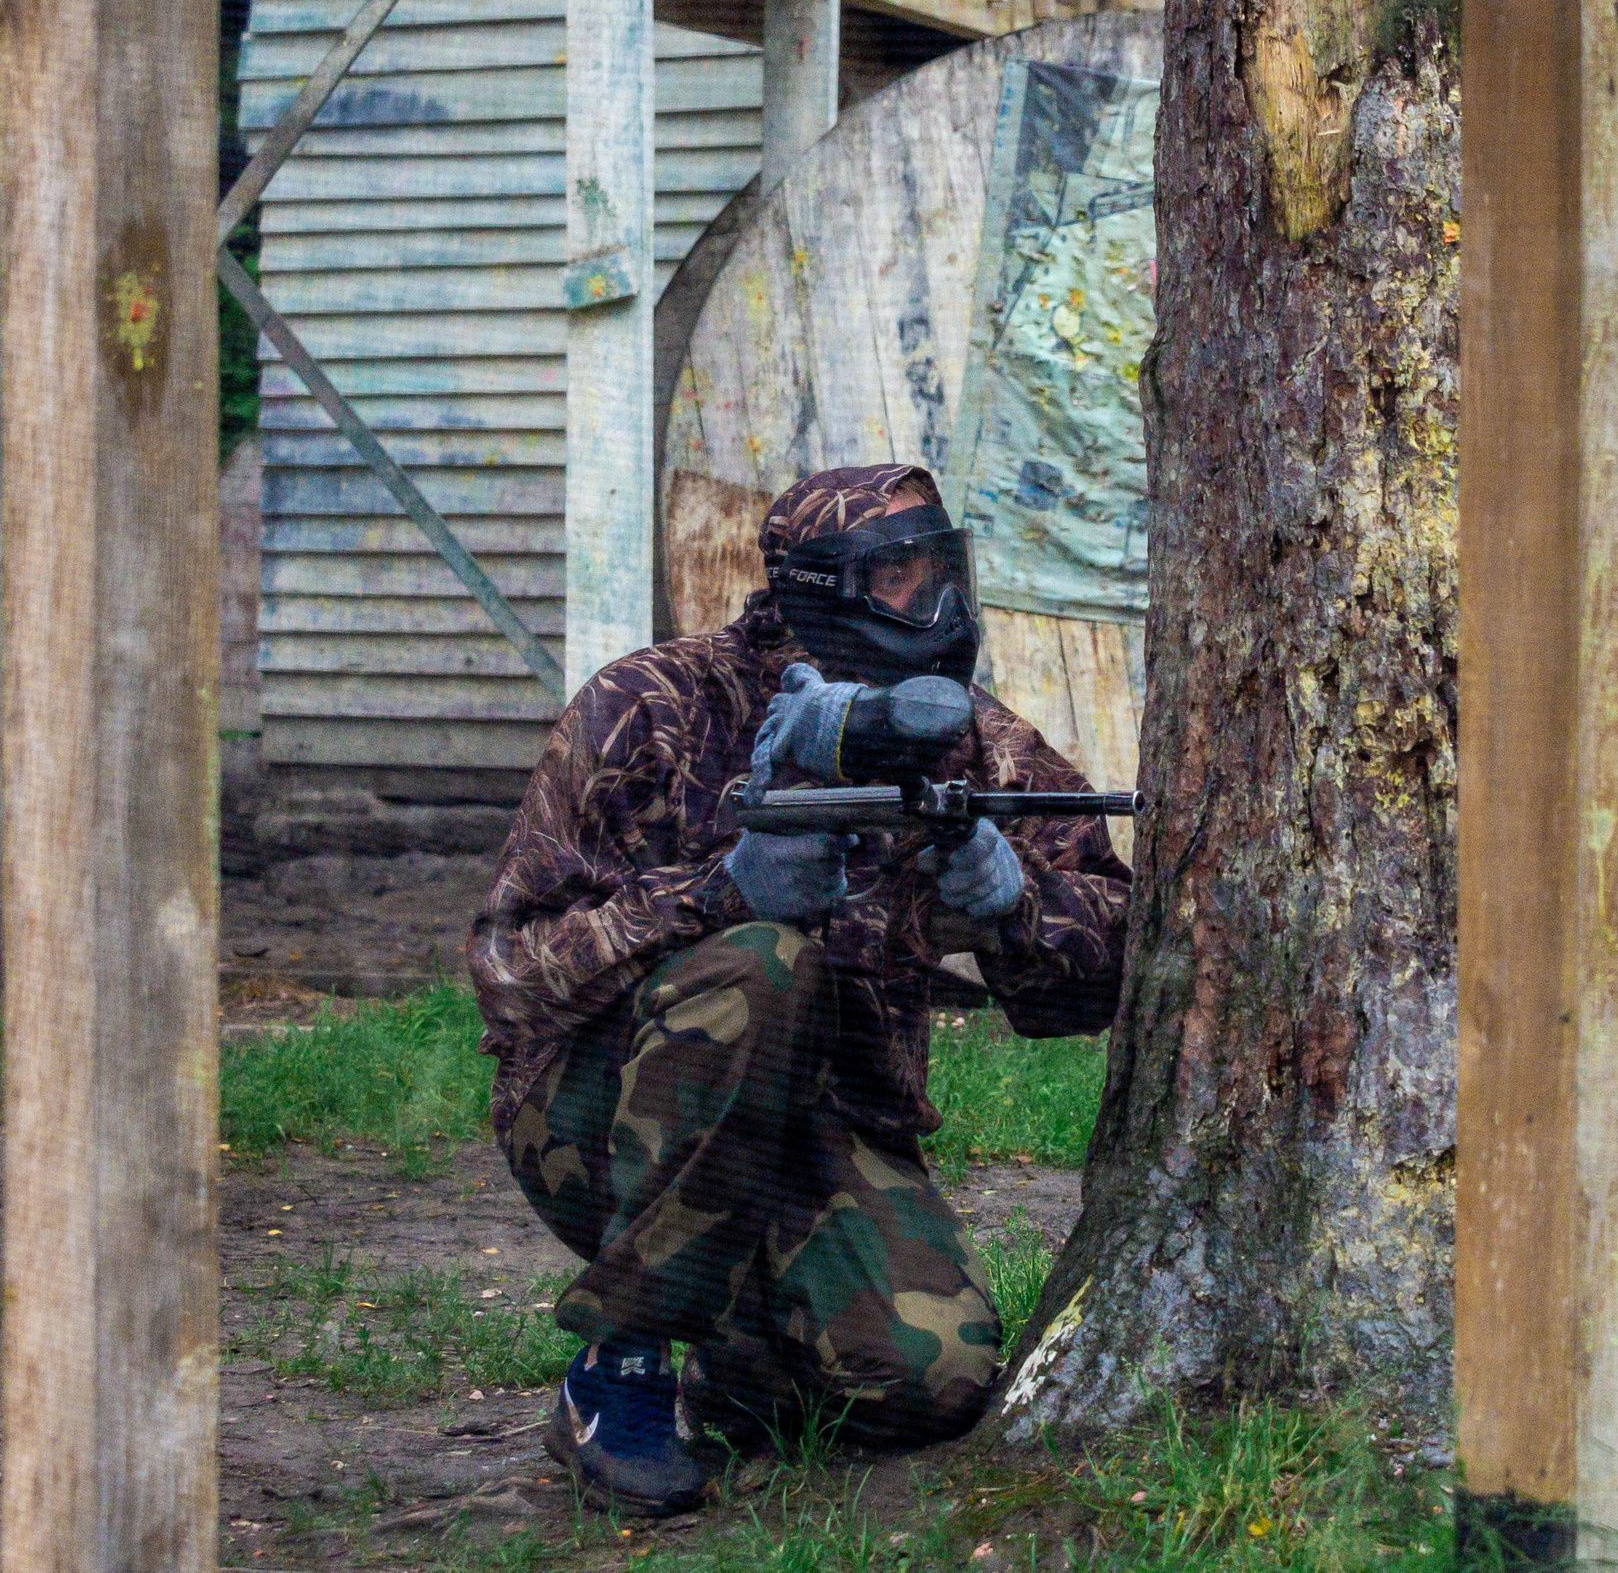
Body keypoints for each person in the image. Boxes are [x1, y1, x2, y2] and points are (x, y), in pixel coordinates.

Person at [467, 463, 1130, 1516]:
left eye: (942, 572)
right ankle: (622, 1370)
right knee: (762, 966)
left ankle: (737, 1347)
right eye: (902, 577)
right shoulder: (650, 704)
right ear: (820, 588)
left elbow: (1116, 970)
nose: (939, 606)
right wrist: (717, 894)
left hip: (817, 1127)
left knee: (930, 1379)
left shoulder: (966, 735)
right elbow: (510, 968)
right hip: (598, 1118)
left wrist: (1017, 902)